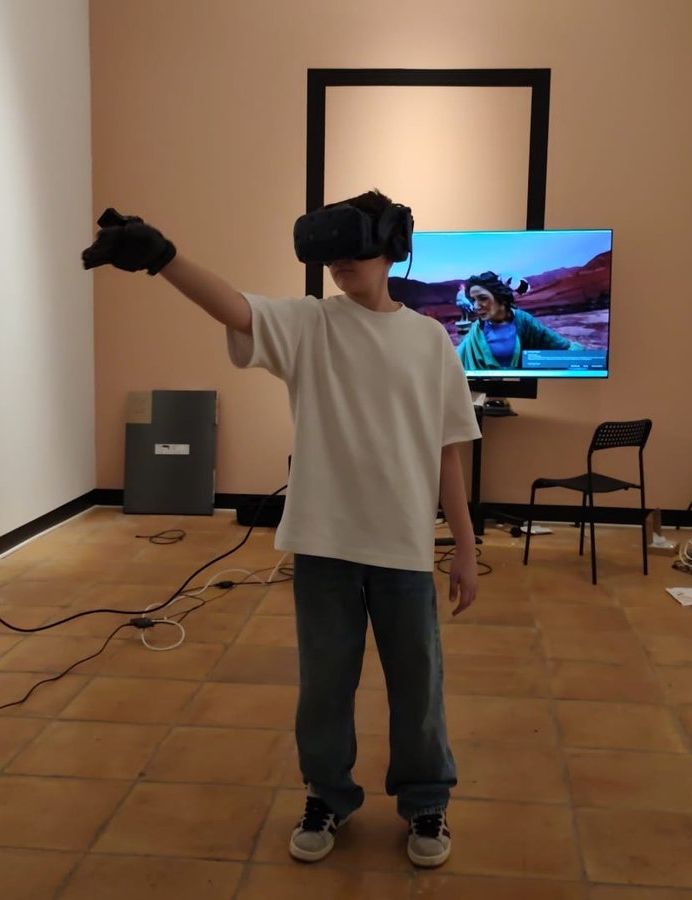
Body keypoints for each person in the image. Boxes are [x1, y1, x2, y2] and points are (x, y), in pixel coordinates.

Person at [84, 190, 480, 868]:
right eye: (330, 253)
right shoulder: (310, 324)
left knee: (418, 685)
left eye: (354, 248)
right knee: (325, 686)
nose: (340, 264)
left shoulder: (430, 340)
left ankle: (426, 801)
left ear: (393, 246)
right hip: (324, 544)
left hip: (404, 549)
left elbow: (449, 450)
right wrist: (164, 258)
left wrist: (465, 546)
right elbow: (234, 306)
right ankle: (328, 793)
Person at [454, 270, 581, 370]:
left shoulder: (523, 321)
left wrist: (588, 362)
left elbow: (562, 347)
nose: (476, 306)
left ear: (501, 298)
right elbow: (456, 360)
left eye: (483, 298)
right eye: (473, 300)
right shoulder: (476, 331)